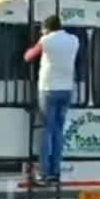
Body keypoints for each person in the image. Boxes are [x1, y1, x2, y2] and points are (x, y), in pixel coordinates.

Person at [23, 14, 80, 183]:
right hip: (67, 89)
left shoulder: (46, 40)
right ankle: (56, 171)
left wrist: (40, 39)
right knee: (58, 131)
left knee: (47, 130)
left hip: (48, 89)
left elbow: (28, 56)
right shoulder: (74, 40)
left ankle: (45, 172)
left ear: (47, 28)